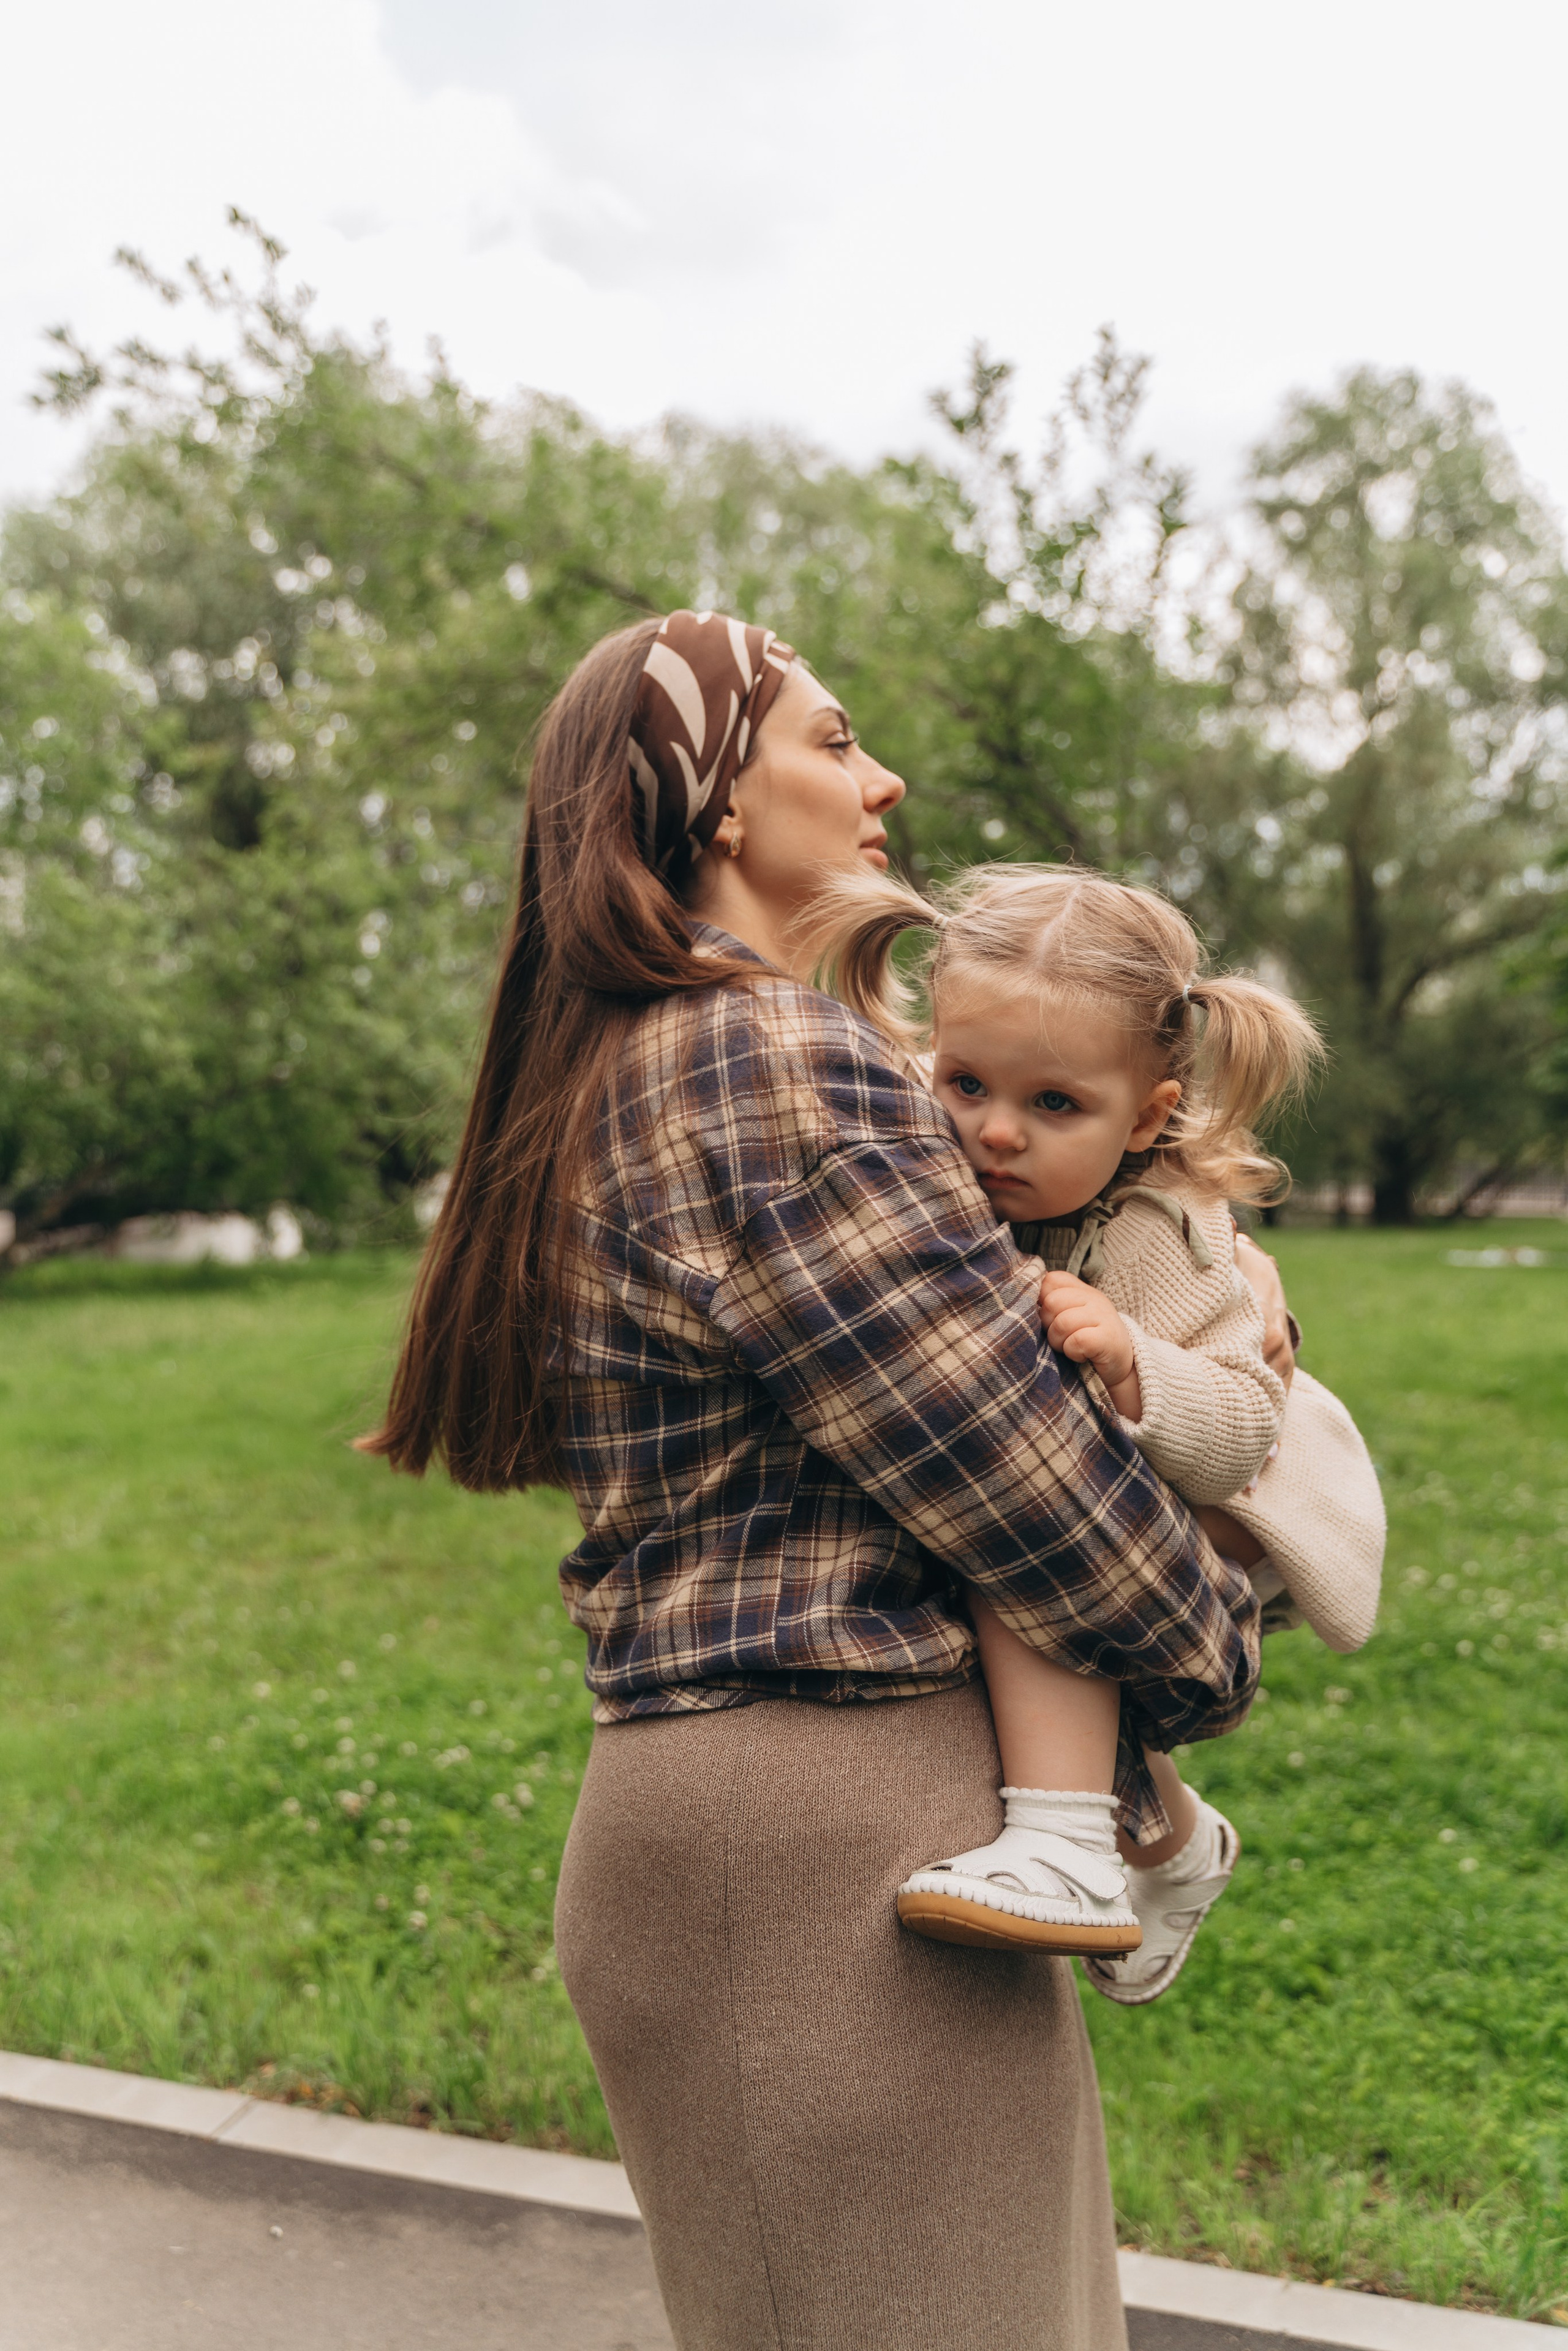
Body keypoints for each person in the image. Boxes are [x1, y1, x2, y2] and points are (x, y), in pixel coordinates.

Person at [364, 612, 1269, 2351]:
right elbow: (1024, 1484)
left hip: (799, 1840)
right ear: (717, 796)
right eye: (834, 739)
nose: (885, 780)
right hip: (820, 1863)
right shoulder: (767, 1060)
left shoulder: (664, 1049)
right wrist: (1213, 1639)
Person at [809, 862, 1384, 2001]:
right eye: (965, 1082)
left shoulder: (1161, 1232)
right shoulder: (935, 1141)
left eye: (1055, 1105)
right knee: (1018, 1523)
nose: (996, 1131)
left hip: (1244, 1495)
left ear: (1147, 1118)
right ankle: (1174, 1844)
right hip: (1130, 1482)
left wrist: (1133, 1360)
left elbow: (1242, 1427)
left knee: (1025, 1523)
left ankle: (1069, 1845)